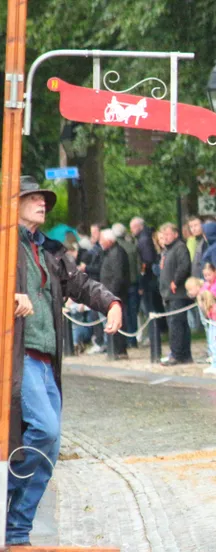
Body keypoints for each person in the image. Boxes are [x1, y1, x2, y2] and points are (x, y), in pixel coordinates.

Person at [10, 176, 122, 546]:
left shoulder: (51, 250)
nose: (42, 202)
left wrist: (111, 303)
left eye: (43, 198)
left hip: (47, 361)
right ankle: (6, 500)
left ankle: (16, 531)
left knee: (50, 448)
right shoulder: (4, 244)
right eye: (33, 197)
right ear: (14, 203)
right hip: (17, 357)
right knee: (45, 431)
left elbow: (82, 285)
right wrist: (9, 296)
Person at [158, 223, 193, 365]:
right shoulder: (167, 250)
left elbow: (184, 266)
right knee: (174, 324)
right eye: (164, 235)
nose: (165, 237)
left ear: (175, 234)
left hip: (177, 293)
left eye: (168, 234)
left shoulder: (180, 247)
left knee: (177, 325)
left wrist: (176, 281)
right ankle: (181, 354)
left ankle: (178, 354)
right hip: (168, 294)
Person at [99, 229, 131, 359]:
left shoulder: (117, 253)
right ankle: (115, 349)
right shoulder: (110, 252)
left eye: (102, 240)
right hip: (110, 293)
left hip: (115, 294)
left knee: (117, 321)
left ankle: (120, 350)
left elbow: (118, 276)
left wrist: (111, 294)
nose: (100, 242)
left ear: (109, 240)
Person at [112, 222, 140, 348]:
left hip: (121, 285)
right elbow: (138, 267)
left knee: (122, 312)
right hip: (133, 283)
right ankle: (132, 339)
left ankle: (123, 340)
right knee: (132, 313)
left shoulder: (116, 249)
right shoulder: (132, 247)